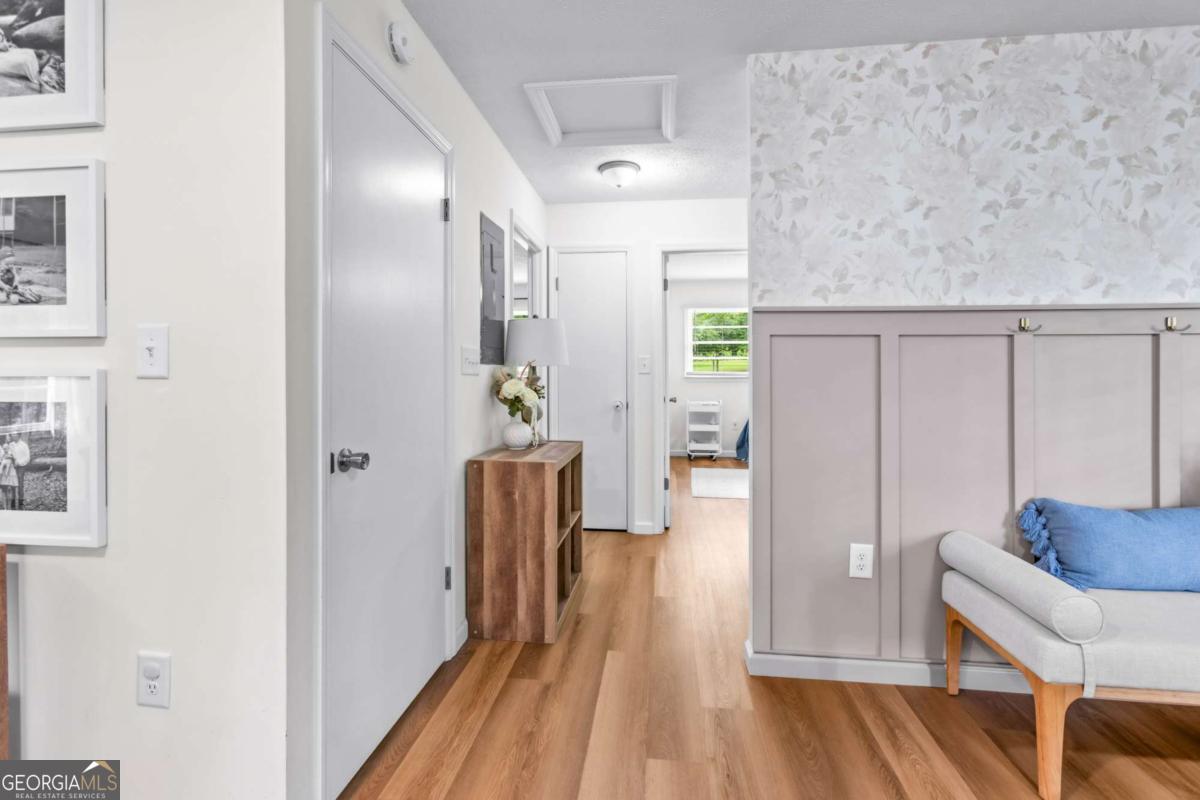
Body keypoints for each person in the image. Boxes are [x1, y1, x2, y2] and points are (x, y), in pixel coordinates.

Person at [0, 436, 19, 511]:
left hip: (11, 474)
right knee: (4, 490)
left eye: (6, 448)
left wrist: (13, 459)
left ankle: (9, 507)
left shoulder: (12, 455)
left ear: (8, 448)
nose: (5, 449)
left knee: (10, 490)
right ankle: (5, 508)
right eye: (4, 448)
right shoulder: (2, 456)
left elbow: (16, 464)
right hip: (3, 475)